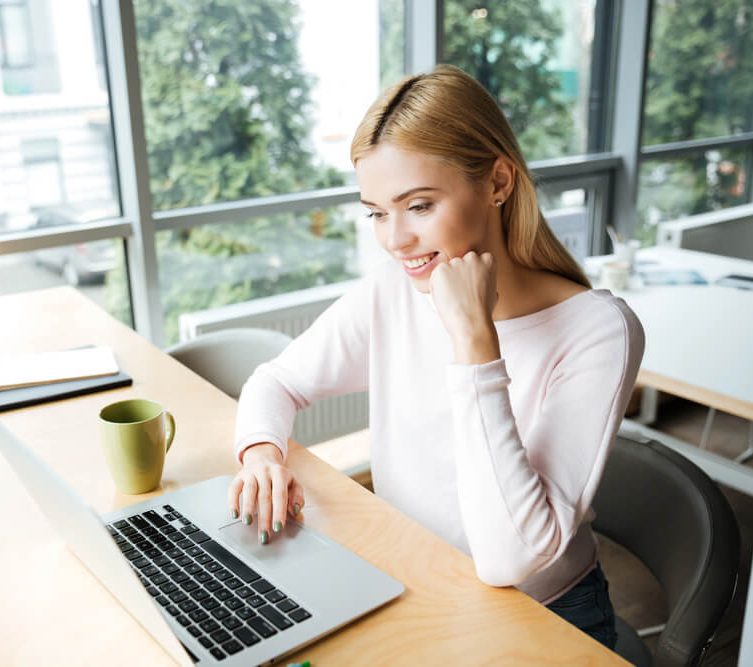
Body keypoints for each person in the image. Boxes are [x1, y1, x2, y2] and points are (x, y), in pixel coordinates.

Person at [226, 64, 644, 649]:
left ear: (498, 181)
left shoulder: (597, 331)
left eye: (418, 206)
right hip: (414, 580)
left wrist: (474, 339)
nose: (394, 240)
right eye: (376, 212)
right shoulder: (394, 288)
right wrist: (262, 455)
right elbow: (276, 382)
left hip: (542, 618)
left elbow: (506, 561)